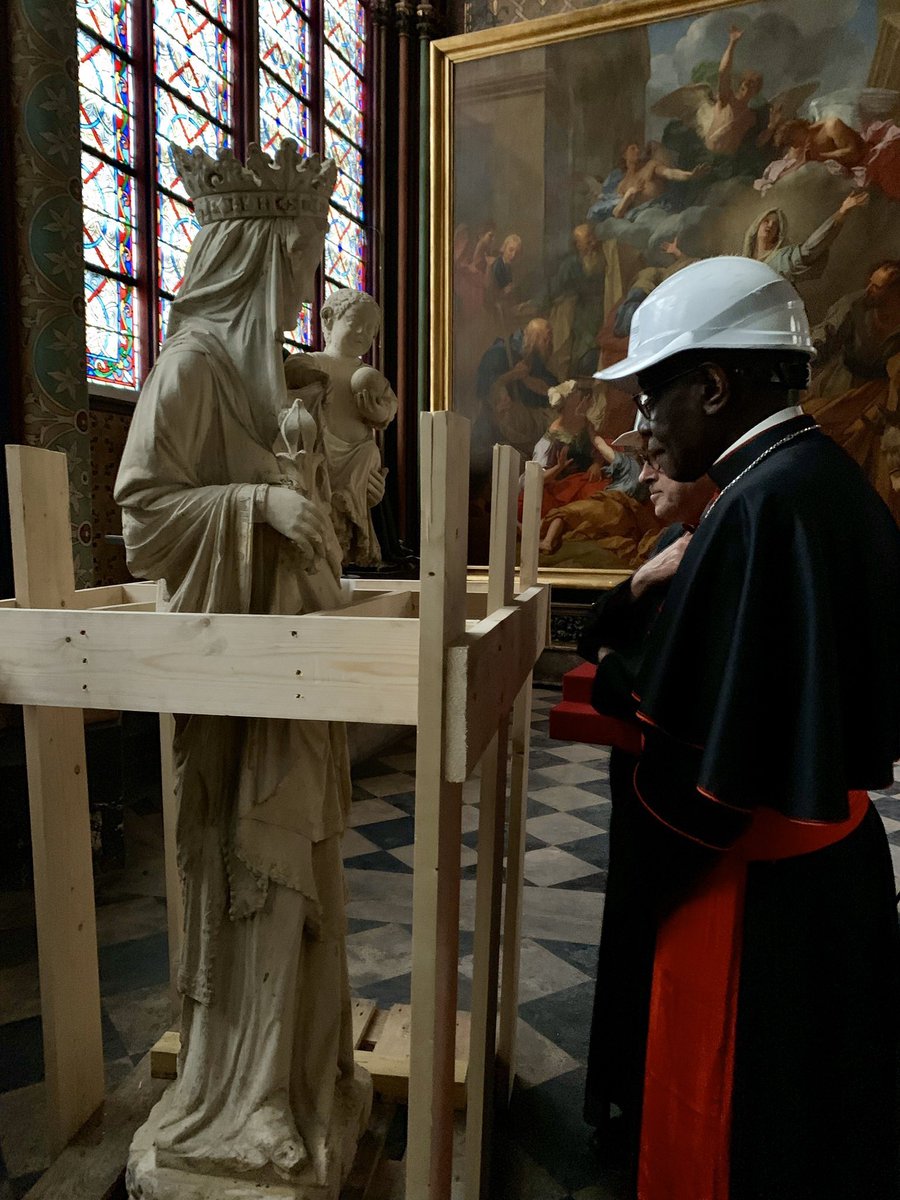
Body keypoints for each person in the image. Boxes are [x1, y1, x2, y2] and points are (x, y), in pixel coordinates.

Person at [595, 254, 900, 1200]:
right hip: (836, 874)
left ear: (715, 385)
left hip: (756, 904)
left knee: (746, 1132)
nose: (641, 426)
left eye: (654, 397)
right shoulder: (819, 479)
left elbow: (698, 776)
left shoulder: (758, 506)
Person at [115, 141, 369, 1190]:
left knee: (300, 881)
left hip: (293, 673)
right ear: (261, 254)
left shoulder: (268, 372)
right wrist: (257, 505)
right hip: (238, 688)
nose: (311, 280)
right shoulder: (193, 368)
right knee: (251, 884)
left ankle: (302, 1084)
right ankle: (239, 1100)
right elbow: (141, 513)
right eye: (304, 256)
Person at [577, 450, 714, 1174]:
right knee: (627, 951)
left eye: (661, 461)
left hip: (676, 796)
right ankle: (624, 1111)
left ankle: (652, 1121)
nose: (645, 476)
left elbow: (634, 678)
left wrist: (610, 668)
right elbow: (588, 634)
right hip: (635, 789)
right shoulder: (667, 545)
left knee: (662, 962)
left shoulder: (722, 547)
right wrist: (639, 579)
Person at [288, 288, 395, 566]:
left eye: (371, 331)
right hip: (323, 453)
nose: (363, 333)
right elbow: (290, 379)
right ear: (328, 318)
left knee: (370, 452)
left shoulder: (369, 374)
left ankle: (351, 507)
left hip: (358, 457)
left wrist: (379, 410)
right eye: (355, 323)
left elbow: (389, 404)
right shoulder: (315, 362)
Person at [806, 257, 900, 523]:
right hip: (841, 386)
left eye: (877, 287)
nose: (869, 290)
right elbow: (825, 338)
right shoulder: (853, 305)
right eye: (870, 283)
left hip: (882, 396)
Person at [741, 192, 869, 284]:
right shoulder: (742, 262)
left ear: (778, 234)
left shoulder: (783, 259)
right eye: (766, 221)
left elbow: (812, 248)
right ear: (757, 225)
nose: (770, 225)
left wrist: (842, 213)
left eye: (775, 225)